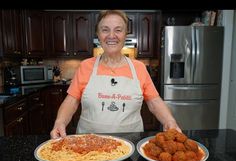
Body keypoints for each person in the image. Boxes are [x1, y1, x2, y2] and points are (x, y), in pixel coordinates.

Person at [50, 10, 181, 139]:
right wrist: (59, 122)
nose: (111, 35)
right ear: (98, 34)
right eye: (105, 29)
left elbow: (154, 102)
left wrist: (169, 121)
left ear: (125, 34)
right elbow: (71, 102)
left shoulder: (139, 68)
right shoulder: (85, 66)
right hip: (88, 145)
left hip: (130, 143)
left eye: (118, 30)